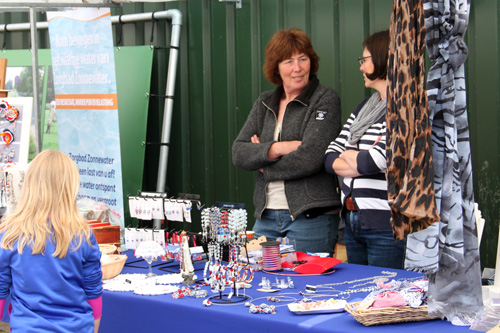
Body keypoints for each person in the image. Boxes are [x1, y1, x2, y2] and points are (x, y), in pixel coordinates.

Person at [232, 28, 342, 256]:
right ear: (276, 67)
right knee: (264, 287)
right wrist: (279, 148)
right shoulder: (264, 102)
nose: (298, 68)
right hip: (266, 217)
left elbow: (311, 156)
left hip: (311, 217)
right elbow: (239, 152)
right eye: (288, 61)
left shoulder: (325, 98)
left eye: (303, 59)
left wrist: (263, 162)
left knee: (308, 289)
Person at [324, 30, 406, 269]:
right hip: (352, 219)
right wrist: (355, 158)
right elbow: (330, 157)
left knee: (383, 298)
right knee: (359, 294)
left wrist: (351, 156)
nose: (361, 67)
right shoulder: (365, 108)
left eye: (365, 60)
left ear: (383, 59)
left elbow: (377, 160)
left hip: (385, 223)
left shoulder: (403, 108)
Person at [0, 150, 103, 332]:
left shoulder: (10, 234)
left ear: (30, 183)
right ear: (70, 187)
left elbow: (1, 291)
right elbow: (93, 291)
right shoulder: (82, 234)